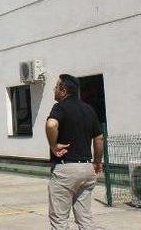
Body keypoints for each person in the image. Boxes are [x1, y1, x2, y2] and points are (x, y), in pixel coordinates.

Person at [45, 74, 103, 230]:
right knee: (85, 219)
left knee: (59, 220)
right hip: (87, 169)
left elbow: (51, 125)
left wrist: (53, 146)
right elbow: (99, 138)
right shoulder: (88, 109)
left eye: (56, 87)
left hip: (66, 169)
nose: (54, 90)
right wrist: (97, 162)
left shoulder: (60, 107)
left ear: (63, 90)